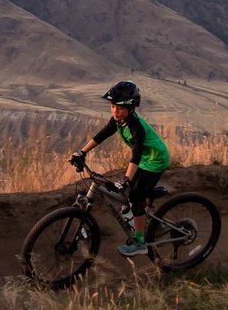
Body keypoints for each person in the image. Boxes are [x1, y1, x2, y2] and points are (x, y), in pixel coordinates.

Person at [70, 80, 171, 256]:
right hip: (144, 160)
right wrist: (81, 152)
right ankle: (149, 219)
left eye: (120, 108)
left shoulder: (136, 127)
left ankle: (140, 243)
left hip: (155, 161)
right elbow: (101, 136)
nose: (115, 111)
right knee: (128, 191)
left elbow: (136, 155)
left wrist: (126, 179)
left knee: (135, 195)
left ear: (132, 108)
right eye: (113, 106)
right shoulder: (118, 121)